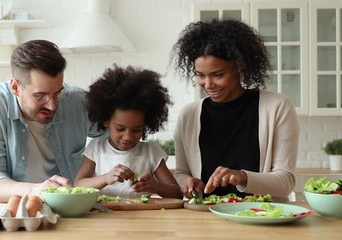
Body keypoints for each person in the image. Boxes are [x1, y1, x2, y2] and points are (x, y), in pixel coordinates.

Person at [170, 19, 299, 202]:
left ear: (239, 67)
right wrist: (187, 182)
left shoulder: (277, 107)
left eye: (218, 75)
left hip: (260, 217)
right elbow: (181, 172)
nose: (208, 85)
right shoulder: (188, 115)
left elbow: (285, 182)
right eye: (200, 75)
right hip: (204, 219)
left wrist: (242, 177)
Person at [0, 40, 105, 202]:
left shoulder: (77, 102)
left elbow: (117, 134)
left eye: (58, 93)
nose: (52, 105)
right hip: (18, 211)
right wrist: (35, 190)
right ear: (15, 87)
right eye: (40, 96)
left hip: (72, 208)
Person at [74, 65, 182, 199]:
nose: (128, 137)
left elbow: (177, 193)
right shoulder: (96, 148)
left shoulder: (151, 151)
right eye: (120, 129)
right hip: (102, 216)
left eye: (137, 130)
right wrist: (106, 178)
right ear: (106, 120)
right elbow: (78, 185)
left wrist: (156, 186)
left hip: (141, 217)